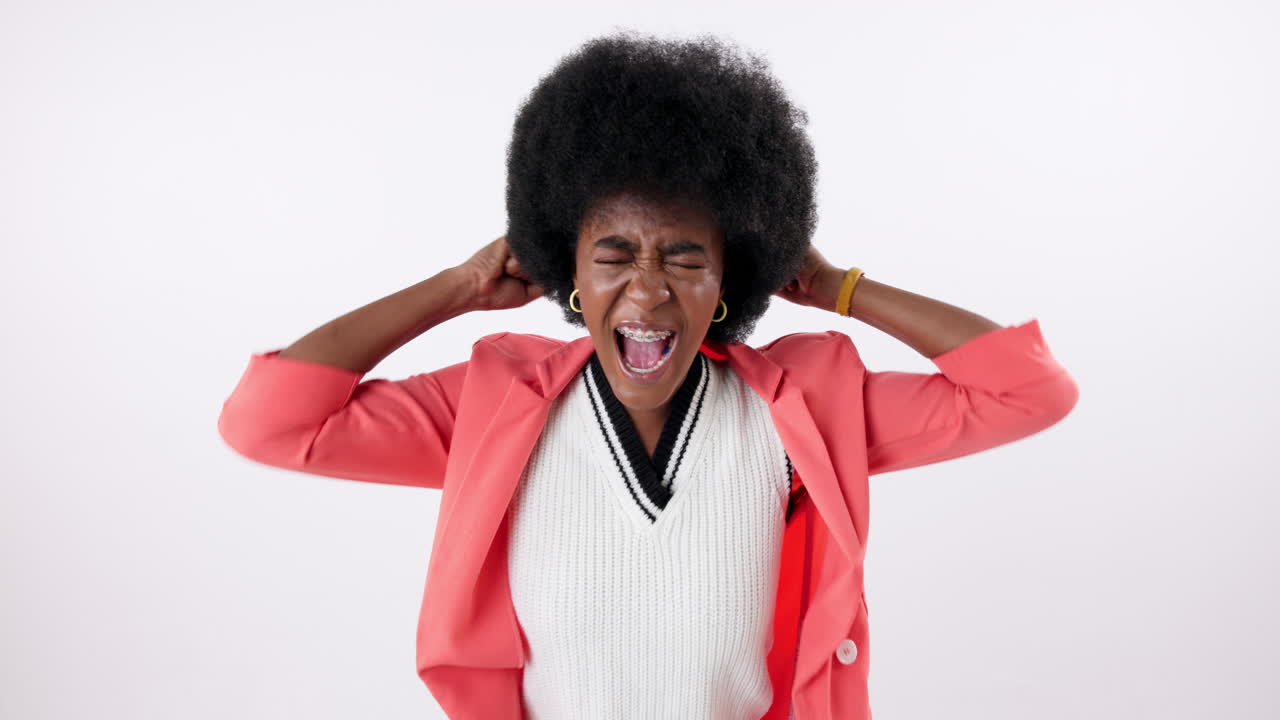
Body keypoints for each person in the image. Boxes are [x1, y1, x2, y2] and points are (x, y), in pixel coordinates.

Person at [217, 30, 1079, 720]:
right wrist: (457, 288)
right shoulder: (493, 405)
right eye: (614, 255)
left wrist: (838, 288)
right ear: (567, 270)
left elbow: (1026, 391)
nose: (649, 290)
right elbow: (270, 422)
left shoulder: (800, 410)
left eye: (686, 258)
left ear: (731, 278)